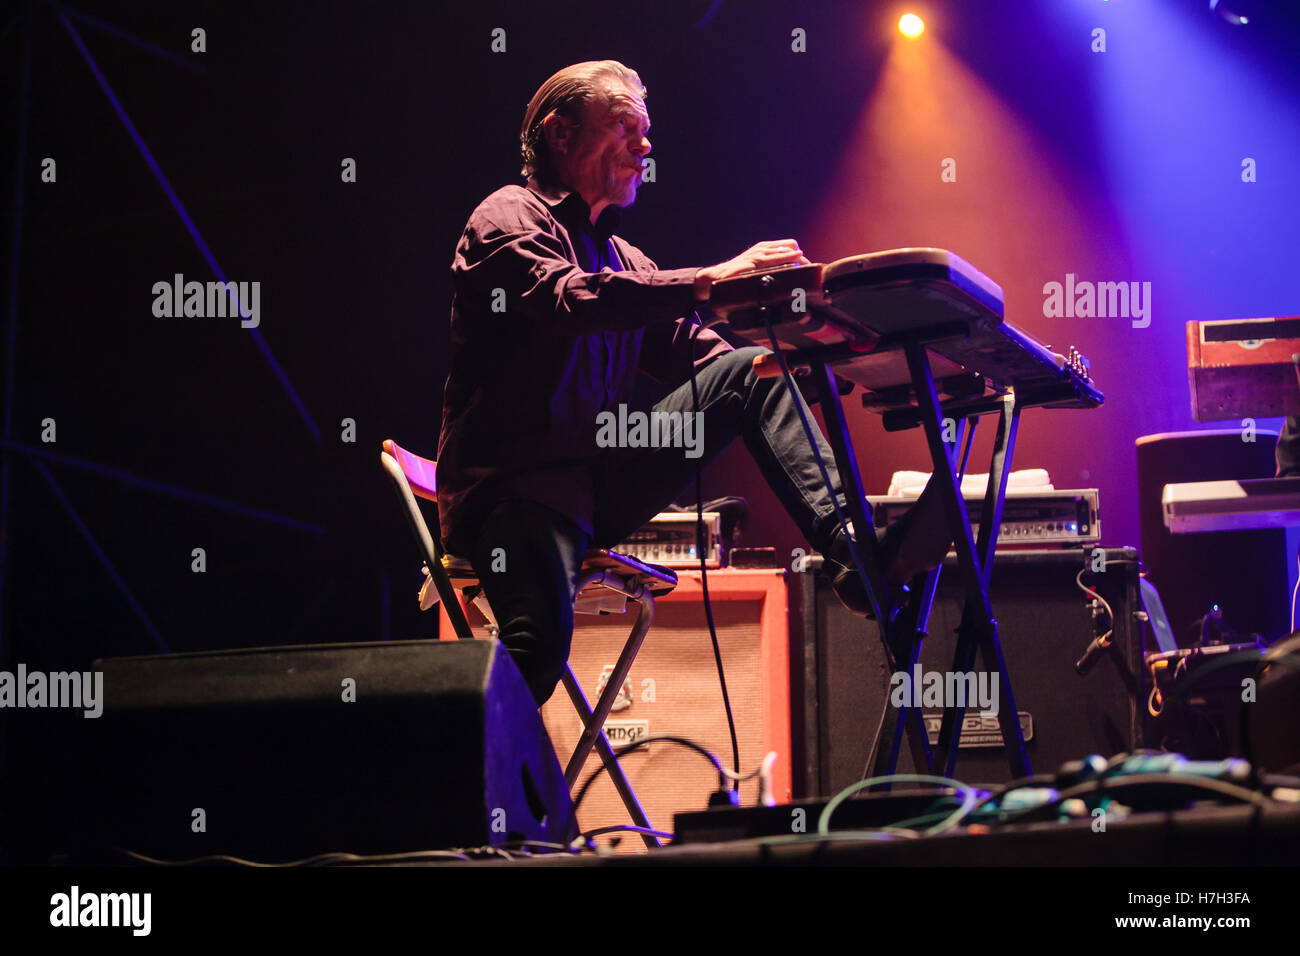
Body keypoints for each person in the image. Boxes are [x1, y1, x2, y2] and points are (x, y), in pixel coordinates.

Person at [436, 60, 949, 705]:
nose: (645, 145)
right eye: (625, 125)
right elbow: (568, 299)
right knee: (535, 648)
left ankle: (857, 560)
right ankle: (443, 778)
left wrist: (826, 357)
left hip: (593, 489)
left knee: (744, 376)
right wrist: (717, 277)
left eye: (646, 132)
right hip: (513, 490)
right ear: (560, 134)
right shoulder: (507, 214)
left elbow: (714, 363)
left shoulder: (625, 259)